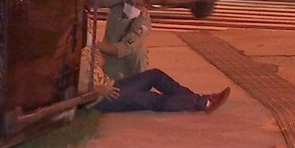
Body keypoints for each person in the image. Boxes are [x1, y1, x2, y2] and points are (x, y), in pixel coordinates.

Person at [80, 46, 231, 114]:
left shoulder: (81, 52)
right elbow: (76, 91)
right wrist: (98, 89)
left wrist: (92, 55)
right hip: (102, 98)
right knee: (153, 99)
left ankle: (192, 100)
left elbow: (100, 61)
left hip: (112, 86)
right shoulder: (67, 64)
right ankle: (203, 102)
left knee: (155, 75)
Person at [87, 0, 152, 81]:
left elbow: (122, 49)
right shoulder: (119, 1)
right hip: (107, 60)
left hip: (128, 69)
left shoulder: (142, 23)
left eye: (138, 5)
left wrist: (92, 42)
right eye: (130, 2)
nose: (132, 7)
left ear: (145, 5)